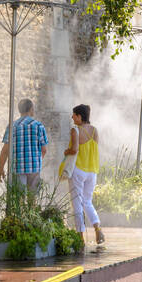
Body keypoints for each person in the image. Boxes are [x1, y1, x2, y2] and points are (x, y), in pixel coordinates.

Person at [61, 104, 105, 245]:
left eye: (74, 114)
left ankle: (80, 236)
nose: (72, 117)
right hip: (92, 171)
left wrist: (66, 151)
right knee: (87, 201)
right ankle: (97, 228)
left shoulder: (75, 130)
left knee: (77, 203)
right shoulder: (94, 131)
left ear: (80, 116)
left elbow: (74, 150)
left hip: (78, 170)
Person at [0, 98, 48, 193]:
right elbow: (44, 150)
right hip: (34, 167)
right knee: (32, 199)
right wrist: (37, 161)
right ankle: (31, 208)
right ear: (31, 109)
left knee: (19, 200)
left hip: (17, 168)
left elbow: (5, 150)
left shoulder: (12, 126)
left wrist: (1, 168)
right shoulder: (39, 126)